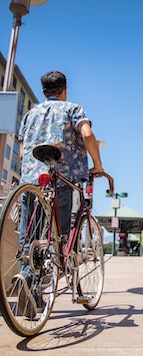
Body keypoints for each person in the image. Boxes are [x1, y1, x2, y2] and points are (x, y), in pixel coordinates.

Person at [14, 70, 104, 317]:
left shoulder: (30, 114)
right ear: (65, 89)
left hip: (31, 179)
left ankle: (27, 282)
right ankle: (56, 269)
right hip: (62, 178)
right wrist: (98, 164)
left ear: (44, 92)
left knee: (28, 235)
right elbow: (86, 134)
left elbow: (23, 149)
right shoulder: (72, 108)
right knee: (60, 235)